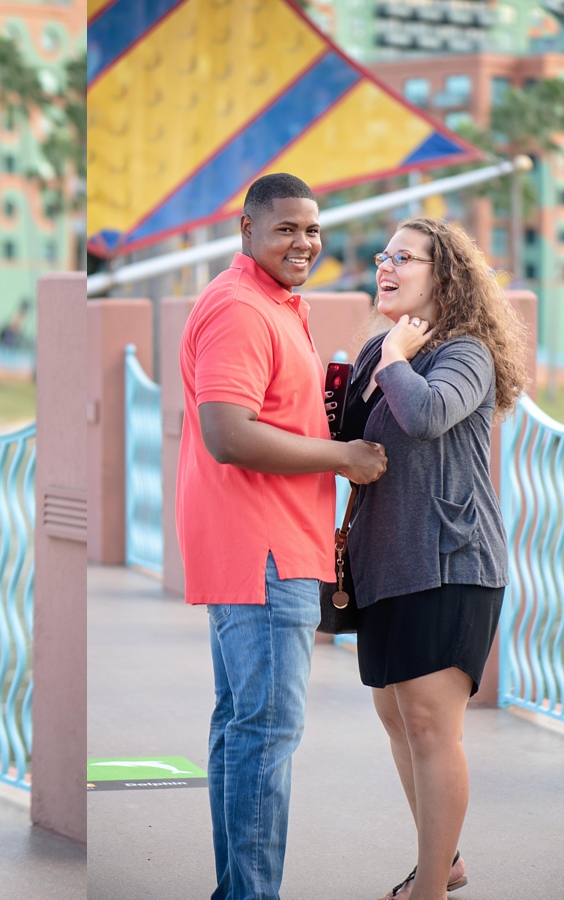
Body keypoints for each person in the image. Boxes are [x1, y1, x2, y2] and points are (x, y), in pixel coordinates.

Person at [176, 172, 388, 900]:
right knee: (263, 737)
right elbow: (229, 435)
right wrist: (345, 458)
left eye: (313, 229)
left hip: (264, 543)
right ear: (247, 229)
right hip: (262, 550)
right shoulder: (240, 308)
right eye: (287, 229)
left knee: (243, 730)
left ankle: (237, 891)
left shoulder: (274, 304)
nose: (304, 242)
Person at [342, 217, 527, 900]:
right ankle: (442, 861)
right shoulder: (375, 351)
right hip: (386, 562)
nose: (385, 266)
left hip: (451, 560)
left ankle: (432, 891)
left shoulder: (465, 353)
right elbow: (342, 440)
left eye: (403, 257)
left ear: (443, 275)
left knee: (430, 724)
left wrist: (393, 357)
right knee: (397, 717)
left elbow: (424, 416)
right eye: (382, 255)